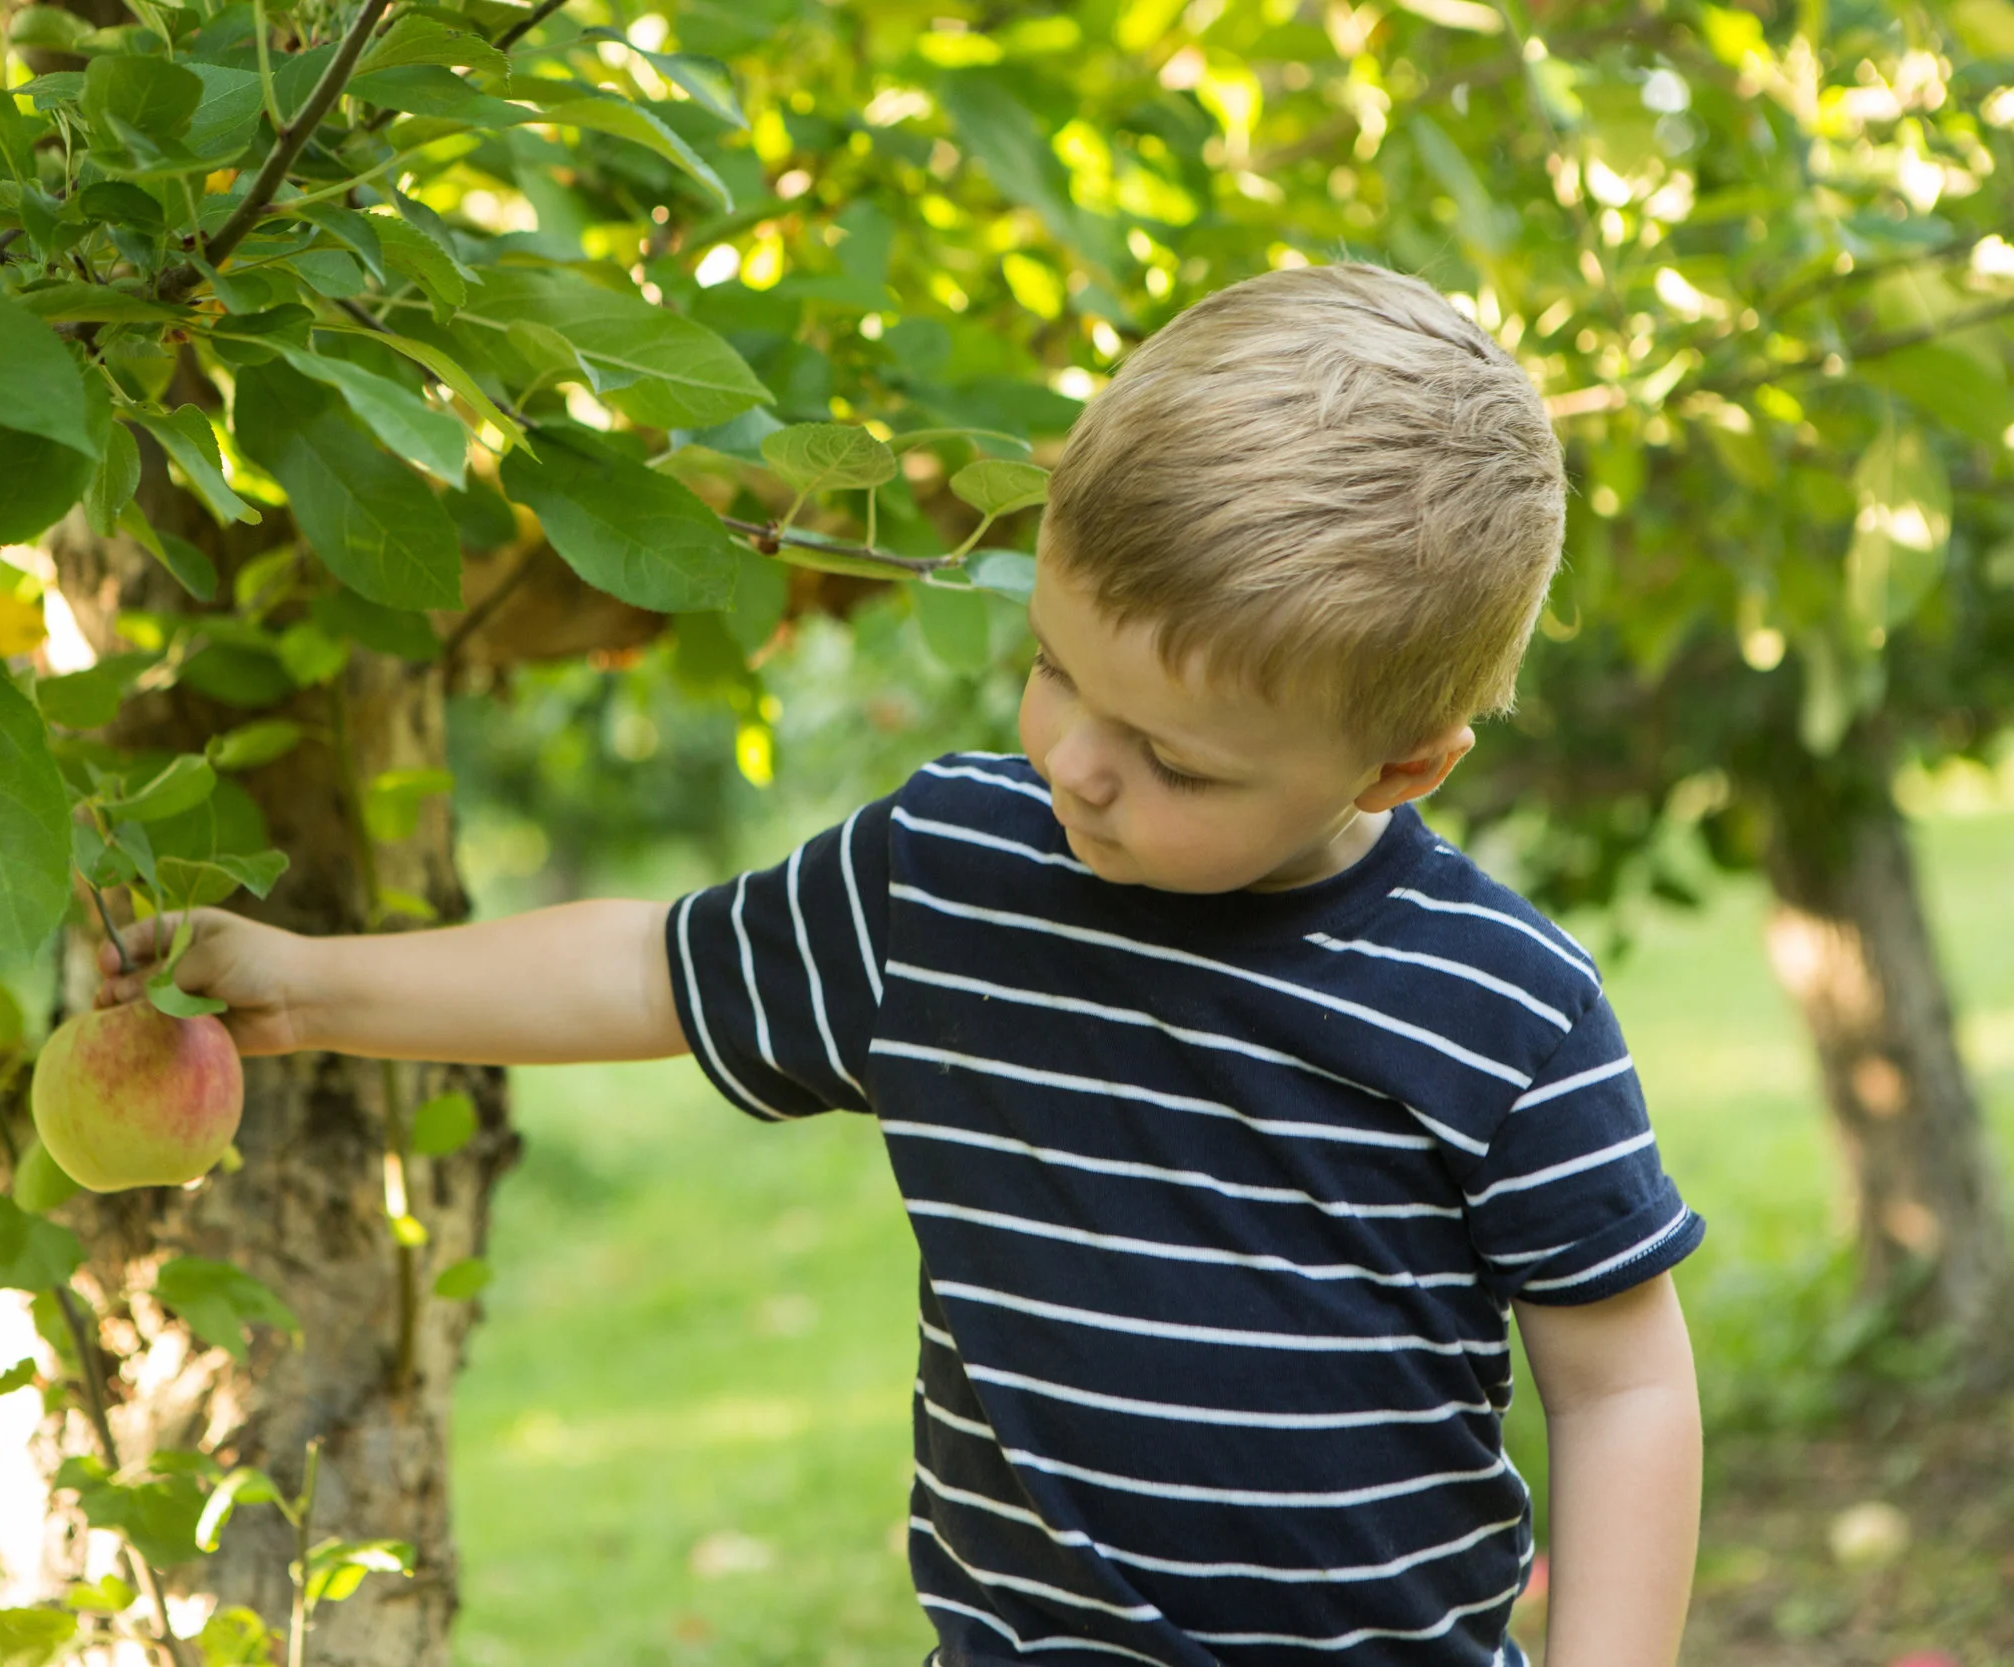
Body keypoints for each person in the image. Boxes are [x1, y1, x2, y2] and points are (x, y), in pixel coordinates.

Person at [97, 262, 1704, 1667]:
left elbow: (1622, 1386)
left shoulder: (1505, 1004)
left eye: (1175, 760)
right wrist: (312, 984)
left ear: (1398, 769)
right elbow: (646, 970)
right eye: (1054, 675)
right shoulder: (952, 877)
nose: (1078, 763)